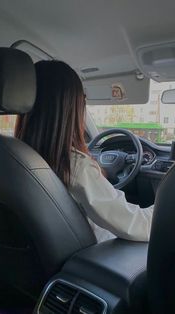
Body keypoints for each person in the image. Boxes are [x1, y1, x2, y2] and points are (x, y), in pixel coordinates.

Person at [15, 60, 153, 243]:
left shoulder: (14, 156)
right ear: (71, 108)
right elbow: (137, 226)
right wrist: (169, 206)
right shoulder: (75, 166)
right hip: (96, 260)